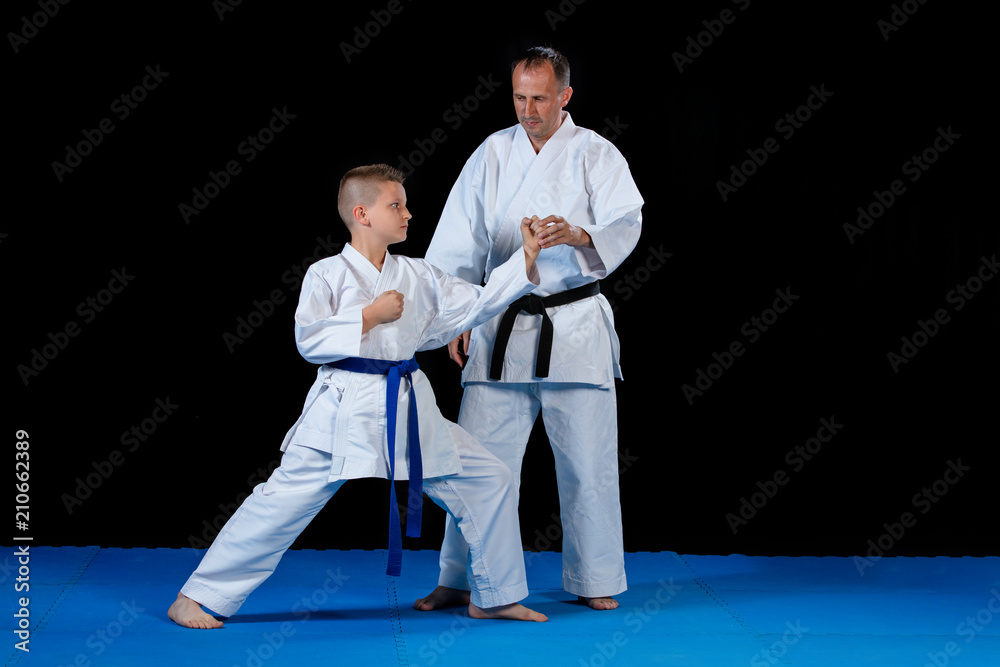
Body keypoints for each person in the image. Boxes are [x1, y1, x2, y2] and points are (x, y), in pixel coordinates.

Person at [168, 164, 549, 628]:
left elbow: (475, 303)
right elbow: (308, 341)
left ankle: (495, 595)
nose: (408, 213)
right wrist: (367, 316)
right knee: (279, 503)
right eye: (396, 205)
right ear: (362, 213)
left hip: (407, 406)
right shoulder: (325, 274)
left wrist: (525, 258)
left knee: (489, 478)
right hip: (343, 407)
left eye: (405, 204)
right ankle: (196, 596)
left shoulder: (418, 274)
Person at [416, 47, 643, 612]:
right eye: (519, 96)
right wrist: (456, 317)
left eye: (539, 97)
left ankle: (594, 580)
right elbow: (458, 241)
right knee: (473, 465)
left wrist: (581, 235)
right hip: (499, 324)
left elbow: (625, 223)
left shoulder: (596, 153)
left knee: (587, 464)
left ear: (565, 95)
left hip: (573, 323)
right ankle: (459, 578)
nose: (528, 109)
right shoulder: (492, 153)